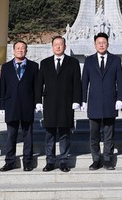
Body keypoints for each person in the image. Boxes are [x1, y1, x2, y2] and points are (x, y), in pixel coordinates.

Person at [35, 36, 82, 172]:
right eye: (55, 44)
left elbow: (77, 83)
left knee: (64, 133)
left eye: (60, 44)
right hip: (50, 103)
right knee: (49, 134)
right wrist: (38, 101)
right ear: (52, 47)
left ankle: (63, 161)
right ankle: (50, 161)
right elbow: (39, 84)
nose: (58, 47)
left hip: (66, 103)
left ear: (65, 46)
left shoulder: (73, 62)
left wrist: (77, 100)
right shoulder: (45, 63)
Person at [81, 32, 122, 170]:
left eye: (104, 42)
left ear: (108, 44)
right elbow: (84, 82)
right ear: (95, 45)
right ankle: (96, 159)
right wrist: (83, 100)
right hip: (94, 103)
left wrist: (120, 98)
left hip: (110, 102)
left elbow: (120, 81)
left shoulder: (115, 60)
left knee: (109, 134)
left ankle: (107, 159)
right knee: (94, 135)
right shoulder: (89, 60)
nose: (101, 45)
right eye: (99, 43)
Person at [0, 40, 39, 172]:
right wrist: (2, 106)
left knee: (28, 135)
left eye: (23, 48)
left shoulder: (33, 66)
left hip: (27, 104)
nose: (20, 50)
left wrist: (37, 102)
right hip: (11, 104)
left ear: (26, 51)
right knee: (11, 135)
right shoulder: (6, 67)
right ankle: (9, 161)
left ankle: (28, 161)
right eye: (18, 48)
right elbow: (2, 87)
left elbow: (36, 86)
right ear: (13, 50)